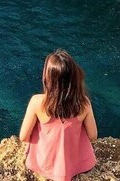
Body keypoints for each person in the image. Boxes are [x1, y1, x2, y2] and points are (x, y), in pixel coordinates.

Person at [19, 49, 98, 181]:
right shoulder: (84, 103)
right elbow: (93, 136)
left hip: (44, 164)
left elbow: (23, 137)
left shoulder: (37, 102)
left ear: (48, 77)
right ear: (73, 77)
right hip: (75, 165)